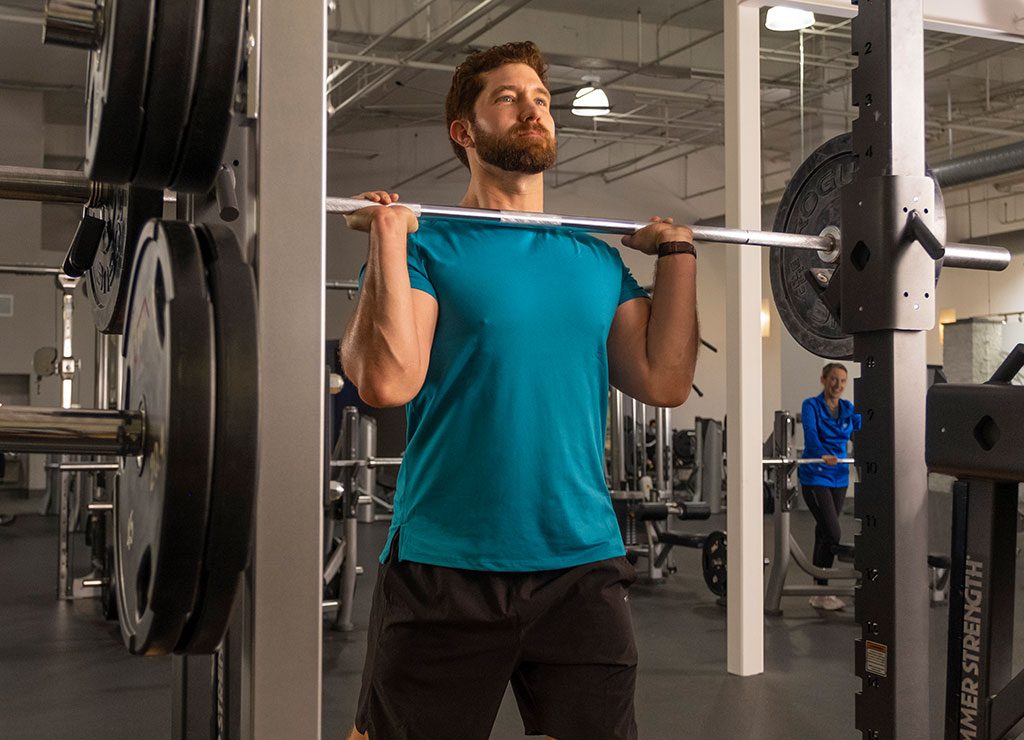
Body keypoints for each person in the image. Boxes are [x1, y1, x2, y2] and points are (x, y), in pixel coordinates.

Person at [341, 41, 699, 740]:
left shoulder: (593, 260)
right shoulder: (428, 245)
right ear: (464, 131)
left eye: (540, 99)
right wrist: (386, 237)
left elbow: (664, 380)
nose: (532, 108)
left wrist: (679, 257)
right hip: (447, 562)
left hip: (580, 563)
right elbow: (386, 381)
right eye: (508, 97)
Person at [799, 362, 862, 611]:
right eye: (834, 379)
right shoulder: (811, 405)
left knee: (823, 531)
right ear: (823, 379)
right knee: (833, 533)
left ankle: (819, 591)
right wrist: (823, 453)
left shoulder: (848, 408)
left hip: (839, 477)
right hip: (815, 475)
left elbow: (865, 428)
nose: (838, 385)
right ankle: (823, 590)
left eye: (843, 381)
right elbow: (811, 434)